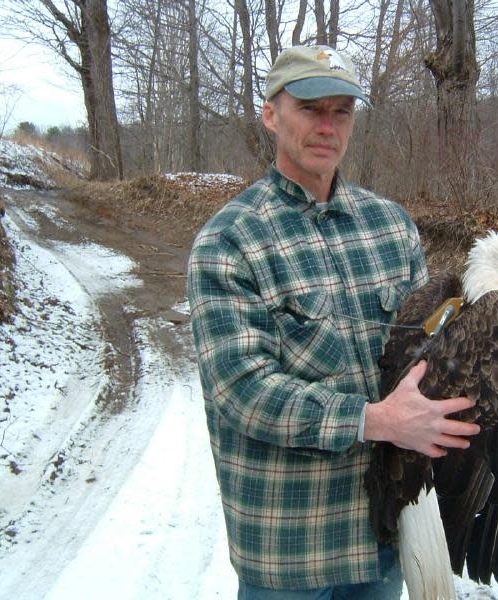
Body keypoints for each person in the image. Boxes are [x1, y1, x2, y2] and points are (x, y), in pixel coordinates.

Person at [187, 45, 480, 600]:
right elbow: (242, 390)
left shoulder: (391, 226)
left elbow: (430, 361)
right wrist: (374, 421)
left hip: (385, 529)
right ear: (271, 114)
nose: (328, 126)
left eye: (341, 111)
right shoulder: (230, 241)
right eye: (310, 108)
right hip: (290, 546)